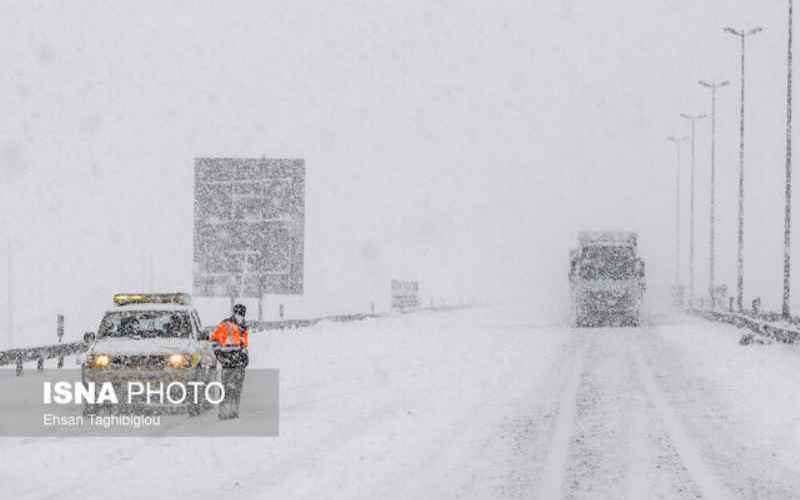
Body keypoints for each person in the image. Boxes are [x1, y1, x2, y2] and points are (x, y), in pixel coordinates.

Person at [211, 303, 250, 419]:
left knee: (237, 388)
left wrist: (245, 356)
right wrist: (221, 357)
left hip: (239, 362)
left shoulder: (244, 327)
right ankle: (223, 412)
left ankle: (234, 411)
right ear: (234, 313)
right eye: (238, 313)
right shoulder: (225, 325)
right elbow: (214, 341)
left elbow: (243, 345)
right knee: (227, 388)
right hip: (228, 361)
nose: (240, 315)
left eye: (242, 314)